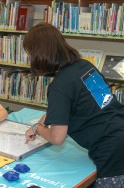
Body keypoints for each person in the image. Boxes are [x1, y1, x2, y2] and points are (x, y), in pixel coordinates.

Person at [24, 22, 124, 187]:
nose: (29, 58)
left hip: (112, 152)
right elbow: (71, 106)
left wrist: (37, 128)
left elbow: (57, 138)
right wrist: (40, 122)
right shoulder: (85, 66)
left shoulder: (59, 86)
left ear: (38, 53)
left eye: (29, 53)